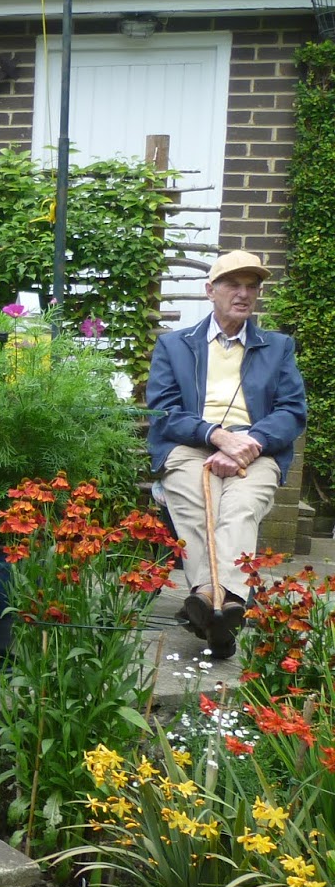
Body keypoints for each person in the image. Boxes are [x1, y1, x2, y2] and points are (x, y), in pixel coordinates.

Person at [147, 250, 306, 659]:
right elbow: (164, 410)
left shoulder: (278, 347)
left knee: (239, 507)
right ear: (209, 291)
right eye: (233, 284)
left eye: (252, 286)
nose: (244, 293)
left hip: (255, 450)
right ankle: (227, 606)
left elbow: (292, 412)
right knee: (199, 508)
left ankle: (210, 600)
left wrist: (246, 444)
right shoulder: (174, 345)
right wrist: (215, 436)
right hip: (189, 448)